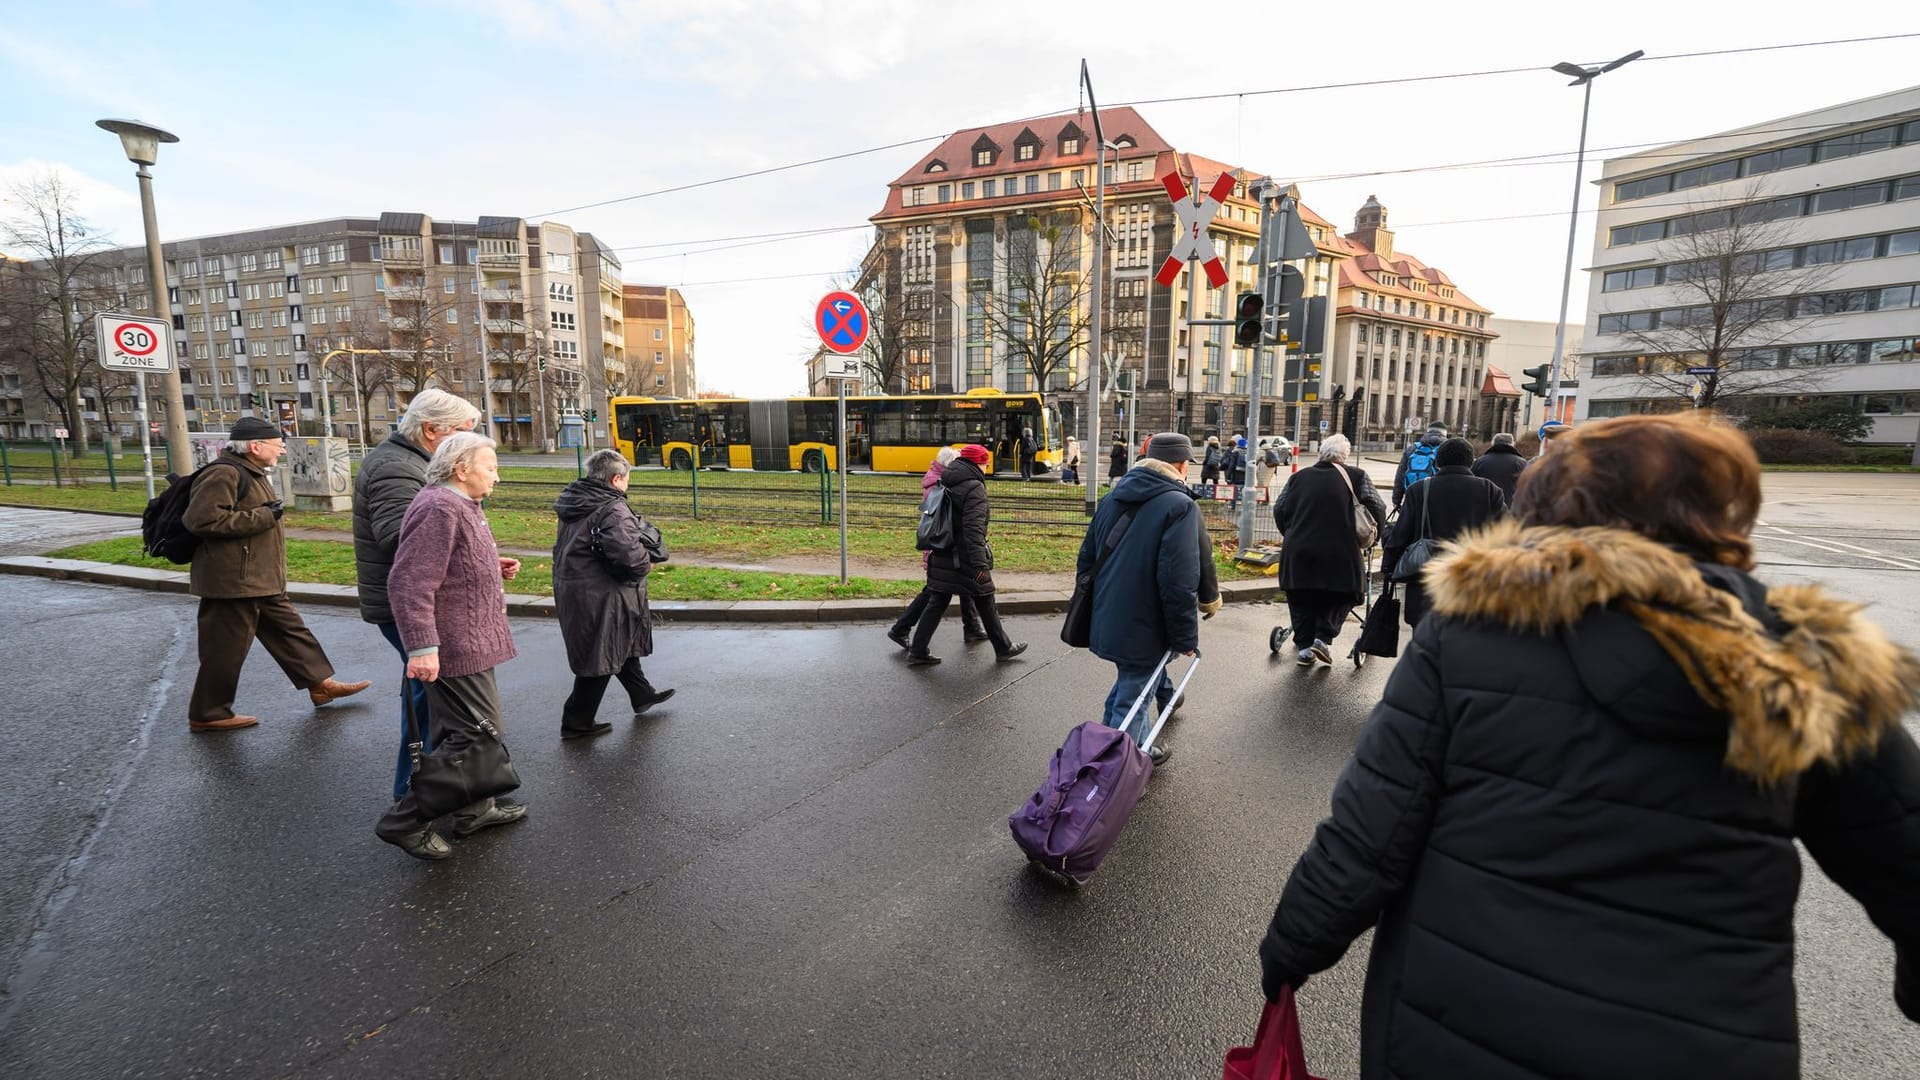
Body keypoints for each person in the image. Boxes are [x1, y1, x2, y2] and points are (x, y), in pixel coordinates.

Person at [1257, 414, 1920, 1079]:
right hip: (1705, 1042)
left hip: (1459, 1024)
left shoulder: (1470, 637)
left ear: (1551, 506)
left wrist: (1293, 949)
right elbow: (1902, 849)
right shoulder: (1803, 660)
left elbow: (1370, 830)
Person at [377, 432, 526, 859]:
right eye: (491, 467)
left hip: (468, 641)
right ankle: (404, 822)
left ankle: (474, 811)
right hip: (457, 646)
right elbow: (409, 582)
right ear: (461, 469)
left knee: (460, 732)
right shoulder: (441, 507)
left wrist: (487, 565)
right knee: (479, 738)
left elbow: (444, 565)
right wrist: (422, 647)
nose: (497, 477)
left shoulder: (460, 504)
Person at [183, 417, 369, 732]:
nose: (282, 450)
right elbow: (201, 520)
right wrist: (264, 516)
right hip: (233, 583)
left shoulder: (249, 472)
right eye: (277, 444)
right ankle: (209, 713)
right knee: (223, 650)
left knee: (291, 632)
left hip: (258, 578)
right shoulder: (224, 473)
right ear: (255, 446)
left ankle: (320, 685)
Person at [352, 388, 480, 797]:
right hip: (411, 606)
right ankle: (413, 799)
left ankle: (440, 792)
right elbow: (403, 542)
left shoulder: (414, 463)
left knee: (429, 701)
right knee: (432, 704)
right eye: (463, 433)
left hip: (414, 602)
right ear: (430, 430)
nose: (473, 444)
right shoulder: (397, 468)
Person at [1076, 433, 1222, 765]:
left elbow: (1086, 560)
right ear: (1182, 465)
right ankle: (1116, 773)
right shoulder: (1180, 506)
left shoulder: (1114, 497)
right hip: (1147, 622)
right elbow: (1179, 580)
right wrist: (1184, 636)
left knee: (1130, 685)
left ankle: (1139, 750)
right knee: (1134, 697)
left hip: (1110, 614)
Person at [552, 449, 675, 739]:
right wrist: (648, 565)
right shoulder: (613, 508)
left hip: (577, 586)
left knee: (617, 642)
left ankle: (641, 693)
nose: (628, 485)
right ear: (616, 478)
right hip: (601, 591)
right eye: (627, 479)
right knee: (602, 653)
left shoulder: (577, 499)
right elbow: (628, 557)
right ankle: (576, 721)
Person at [905, 443, 1028, 665]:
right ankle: (1003, 647)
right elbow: (973, 530)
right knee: (986, 598)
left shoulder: (946, 479)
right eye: (985, 462)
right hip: (964, 558)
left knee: (937, 601)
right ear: (978, 463)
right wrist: (980, 564)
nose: (987, 466)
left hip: (941, 552)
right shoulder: (974, 488)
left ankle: (918, 650)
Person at [1271, 433, 1386, 667]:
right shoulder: (1356, 476)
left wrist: (1292, 534)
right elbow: (1377, 506)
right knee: (1348, 592)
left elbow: (1280, 508)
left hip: (1298, 550)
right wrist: (1375, 536)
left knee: (1301, 595)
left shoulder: (1299, 477)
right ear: (1344, 455)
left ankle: (1304, 649)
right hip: (1341, 550)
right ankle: (1322, 639)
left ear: (1322, 453)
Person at [1381, 437, 1507, 626]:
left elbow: (1400, 535)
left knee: (1424, 644)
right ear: (1471, 462)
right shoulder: (1490, 491)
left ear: (1437, 462)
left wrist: (1389, 568)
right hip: (1472, 583)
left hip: (1427, 582)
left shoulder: (1419, 490)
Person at [888, 447, 987, 650]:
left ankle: (972, 627)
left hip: (947, 546)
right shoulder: (939, 484)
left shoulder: (940, 480)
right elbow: (940, 519)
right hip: (941, 546)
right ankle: (902, 630)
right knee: (934, 593)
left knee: (960, 585)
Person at [1391, 423, 1447, 509]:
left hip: (1412, 496)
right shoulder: (1446, 448)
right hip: (1437, 499)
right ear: (1445, 433)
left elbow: (1400, 475)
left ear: (1427, 431)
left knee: (1412, 521)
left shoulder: (1413, 448)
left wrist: (1396, 500)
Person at [1469, 430, 1527, 504]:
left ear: (1493, 444)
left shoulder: (1479, 462)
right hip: (1510, 509)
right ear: (1512, 444)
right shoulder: (1522, 464)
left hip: (1484, 508)